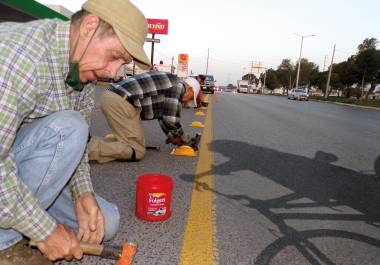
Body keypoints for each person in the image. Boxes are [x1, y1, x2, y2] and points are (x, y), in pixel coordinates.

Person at [0, 0, 150, 263]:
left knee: (104, 223)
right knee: (68, 127)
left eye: (122, 63)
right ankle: (6, 243)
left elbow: (75, 148)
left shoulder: (80, 70)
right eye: (115, 56)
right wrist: (45, 231)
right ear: (89, 26)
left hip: (17, 166)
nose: (113, 72)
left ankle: (19, 222)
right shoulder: (19, 59)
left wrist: (83, 194)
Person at [88, 71, 202, 164]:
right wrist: (184, 138)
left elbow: (163, 115)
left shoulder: (172, 82)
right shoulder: (178, 86)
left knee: (129, 140)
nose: (186, 102)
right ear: (190, 89)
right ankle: (84, 150)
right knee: (136, 150)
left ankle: (90, 143)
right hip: (121, 101)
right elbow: (170, 119)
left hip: (114, 97)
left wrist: (173, 136)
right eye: (190, 99)